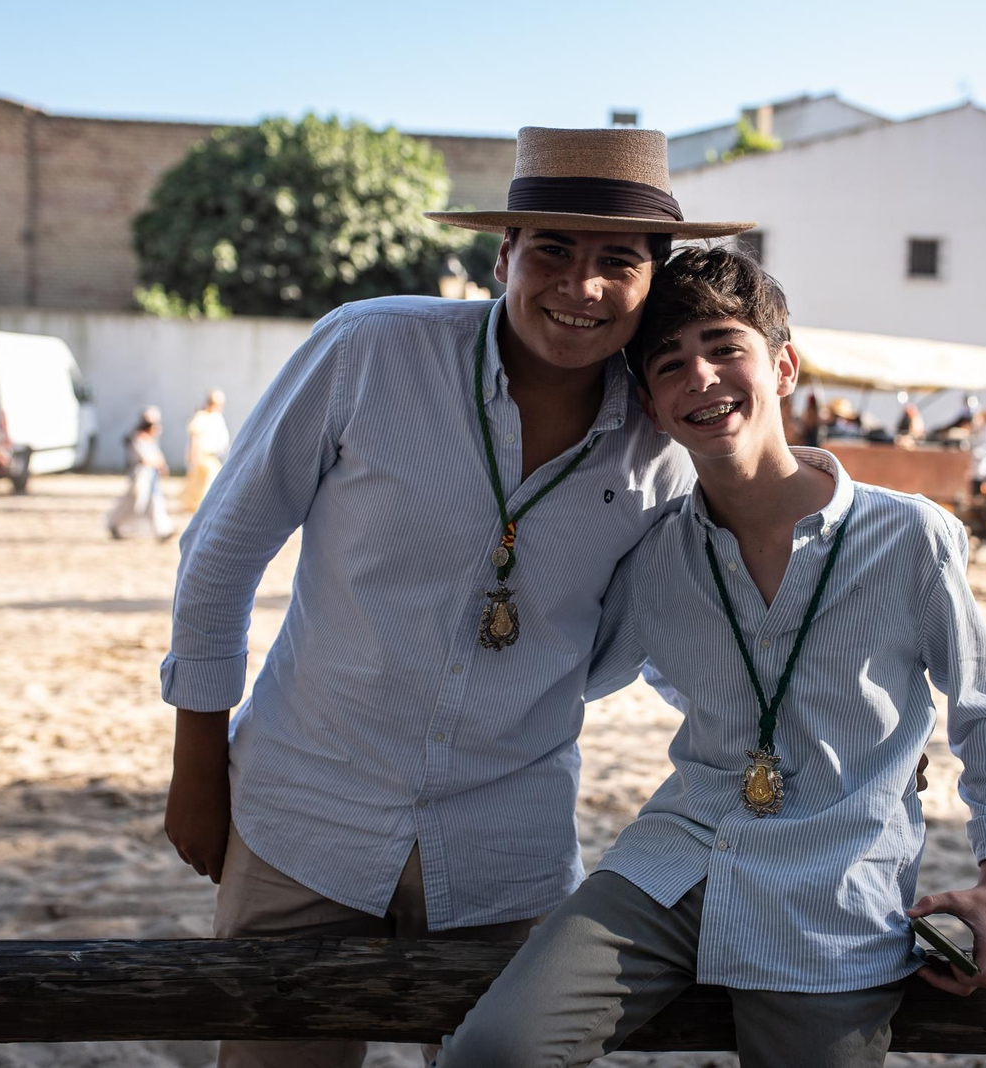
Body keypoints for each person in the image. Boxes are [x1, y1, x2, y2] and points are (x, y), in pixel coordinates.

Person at [160, 126, 754, 1068]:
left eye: (616, 261)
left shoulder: (664, 452)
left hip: (507, 842)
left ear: (651, 281)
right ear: (502, 255)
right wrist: (198, 768)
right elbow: (222, 550)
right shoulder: (367, 350)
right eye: (552, 248)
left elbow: (670, 646)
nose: (582, 286)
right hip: (304, 810)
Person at [442, 247, 986, 1068]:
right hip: (673, 865)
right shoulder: (653, 559)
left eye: (726, 348)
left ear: (783, 365)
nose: (703, 378)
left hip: (833, 889)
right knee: (491, 1055)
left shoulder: (910, 538)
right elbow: (566, 673)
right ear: (650, 406)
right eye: (671, 365)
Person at [107, 406, 175, 541]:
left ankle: (163, 530)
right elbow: (144, 459)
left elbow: (157, 457)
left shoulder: (150, 439)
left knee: (154, 503)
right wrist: (157, 463)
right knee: (132, 503)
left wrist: (161, 465)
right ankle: (114, 524)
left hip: (151, 477)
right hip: (140, 477)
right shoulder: (136, 438)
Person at [180, 389, 230, 512]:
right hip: (202, 455)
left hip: (213, 455)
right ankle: (203, 507)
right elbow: (195, 438)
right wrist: (193, 456)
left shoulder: (217, 416)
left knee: (211, 480)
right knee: (205, 481)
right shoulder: (201, 416)